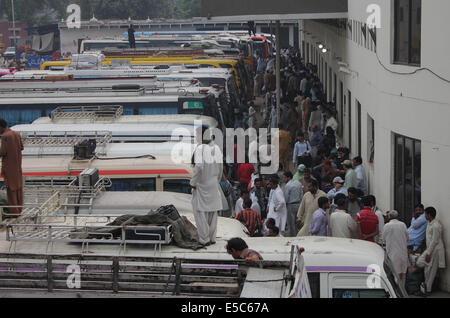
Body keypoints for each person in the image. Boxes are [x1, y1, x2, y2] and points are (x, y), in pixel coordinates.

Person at [190, 130, 223, 247]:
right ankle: (212, 237)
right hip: (213, 183)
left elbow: (198, 166)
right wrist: (215, 181)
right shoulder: (217, 148)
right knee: (212, 212)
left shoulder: (200, 148)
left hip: (202, 185)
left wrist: (193, 182)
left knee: (200, 213)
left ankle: (204, 239)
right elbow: (221, 168)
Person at [413, 207, 446, 295]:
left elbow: (435, 241)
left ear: (429, 215)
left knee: (431, 271)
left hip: (435, 251)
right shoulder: (429, 223)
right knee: (425, 268)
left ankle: (427, 290)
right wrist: (427, 251)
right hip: (429, 249)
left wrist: (428, 253)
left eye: (425, 214)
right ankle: (425, 289)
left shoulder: (436, 225)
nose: (424, 216)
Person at [0, 119, 24, 217]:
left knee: (11, 190)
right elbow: (21, 147)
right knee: (18, 188)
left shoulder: (5, 136)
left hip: (9, 167)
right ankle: (19, 209)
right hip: (17, 166)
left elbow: (2, 152)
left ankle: (14, 212)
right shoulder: (16, 134)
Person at [383, 210, 409, 288]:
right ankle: (402, 292)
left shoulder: (387, 226)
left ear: (389, 217)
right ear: (397, 217)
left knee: (395, 275)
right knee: (403, 275)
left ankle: (396, 293)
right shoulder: (403, 225)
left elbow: (383, 240)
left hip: (392, 254)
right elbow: (408, 238)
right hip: (403, 253)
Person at [283, 171, 303, 237]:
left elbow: (286, 197)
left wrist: (284, 206)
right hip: (298, 204)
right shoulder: (298, 183)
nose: (284, 179)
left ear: (288, 177)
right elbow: (301, 195)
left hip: (290, 205)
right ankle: (299, 235)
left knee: (291, 223)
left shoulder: (288, 185)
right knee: (297, 222)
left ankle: (293, 237)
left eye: (285, 178)